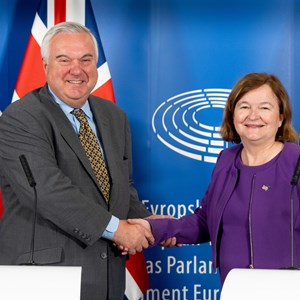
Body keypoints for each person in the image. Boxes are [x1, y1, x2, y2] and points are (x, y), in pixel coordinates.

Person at [0, 21, 155, 300]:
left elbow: (119, 187)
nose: (77, 69)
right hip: (44, 279)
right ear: (45, 65)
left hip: (106, 279)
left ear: (96, 65)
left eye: (86, 59)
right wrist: (119, 230)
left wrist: (149, 223)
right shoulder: (20, 118)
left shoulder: (114, 117)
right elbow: (47, 191)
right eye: (64, 60)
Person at [128, 72, 300, 286]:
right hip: (234, 288)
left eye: (265, 107)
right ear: (232, 115)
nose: (253, 115)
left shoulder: (296, 161)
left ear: (281, 117)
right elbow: (205, 221)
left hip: (288, 290)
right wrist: (155, 228)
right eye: (244, 106)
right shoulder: (226, 160)